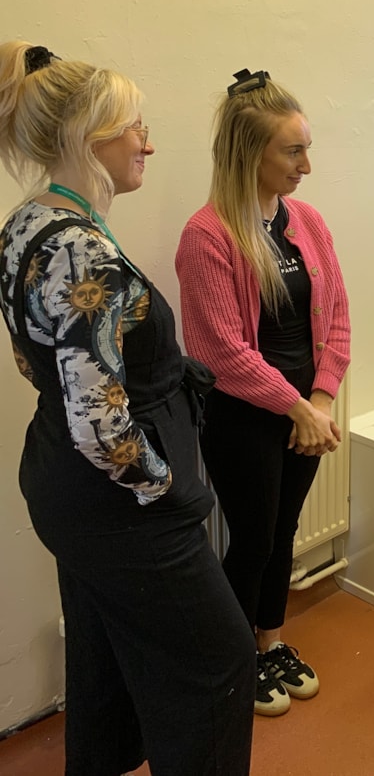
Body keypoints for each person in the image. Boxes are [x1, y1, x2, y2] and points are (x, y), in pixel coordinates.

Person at [0, 41, 255, 774]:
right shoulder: (84, 254)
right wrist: (168, 491)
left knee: (104, 649)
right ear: (86, 138)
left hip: (61, 484)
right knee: (221, 658)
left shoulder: (27, 223)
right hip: (118, 502)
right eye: (133, 127)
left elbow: (32, 358)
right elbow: (102, 429)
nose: (148, 141)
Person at [175, 69, 350, 717]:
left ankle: (270, 642)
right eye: (293, 151)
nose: (307, 164)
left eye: (306, 147)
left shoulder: (307, 221)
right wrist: (300, 407)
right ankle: (231, 656)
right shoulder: (207, 235)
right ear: (252, 154)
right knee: (251, 537)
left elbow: (337, 316)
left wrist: (323, 401)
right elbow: (221, 351)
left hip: (305, 415)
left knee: (283, 532)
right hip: (243, 418)